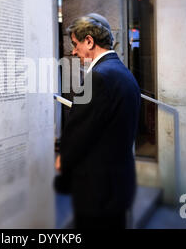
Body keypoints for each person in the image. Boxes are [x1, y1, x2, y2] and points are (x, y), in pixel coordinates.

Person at [54, 13, 141, 229]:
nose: (73, 51)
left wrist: (63, 161)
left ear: (89, 41)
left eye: (75, 44)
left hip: (98, 193)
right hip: (118, 185)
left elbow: (81, 133)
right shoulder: (123, 73)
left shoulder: (99, 77)